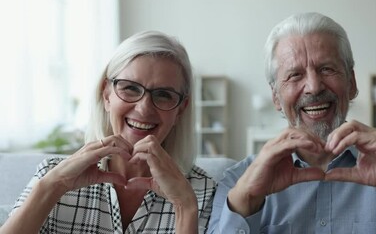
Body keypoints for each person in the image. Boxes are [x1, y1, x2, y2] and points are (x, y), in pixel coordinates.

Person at [208, 12, 376, 233]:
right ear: (275, 96)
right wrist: (247, 201)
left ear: (352, 83)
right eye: (295, 75)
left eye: (327, 69)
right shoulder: (237, 184)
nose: (314, 86)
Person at [1, 31, 216, 234]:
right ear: (106, 95)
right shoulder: (52, 176)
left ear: (181, 109)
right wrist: (54, 186)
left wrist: (184, 207)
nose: (143, 109)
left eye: (163, 95)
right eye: (130, 88)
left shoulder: (205, 193)